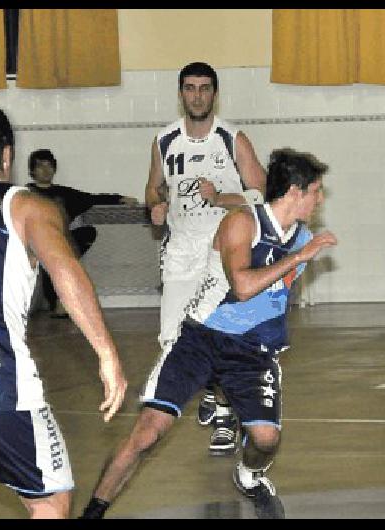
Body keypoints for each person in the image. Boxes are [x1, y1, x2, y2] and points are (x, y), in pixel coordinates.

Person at [80, 148, 336, 520]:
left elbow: (273, 294)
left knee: (266, 439)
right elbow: (244, 286)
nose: (320, 199)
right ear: (295, 191)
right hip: (200, 339)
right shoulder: (241, 224)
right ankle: (91, 513)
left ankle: (249, 476)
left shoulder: (302, 237)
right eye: (316, 190)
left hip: (251, 352)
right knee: (146, 434)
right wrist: (298, 258)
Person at [0, 105, 127, 518]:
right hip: (0, 384)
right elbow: (67, 275)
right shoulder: (29, 208)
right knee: (49, 500)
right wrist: (106, 353)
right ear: (8, 156)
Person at [145, 61, 267, 456]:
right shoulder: (164, 141)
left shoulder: (232, 139)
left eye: (204, 88)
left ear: (214, 93)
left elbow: (262, 195)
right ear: (181, 93)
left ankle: (225, 417)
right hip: (180, 250)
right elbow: (152, 188)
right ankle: (213, 394)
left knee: (220, 333)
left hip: (222, 251)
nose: (196, 95)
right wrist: (156, 206)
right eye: (190, 88)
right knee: (173, 338)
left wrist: (220, 198)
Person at [26, 148, 139, 318]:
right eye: (40, 166)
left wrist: (119, 198)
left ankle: (62, 301)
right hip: (35, 246)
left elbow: (92, 198)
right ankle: (56, 301)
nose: (46, 170)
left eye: (49, 166)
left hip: (61, 248)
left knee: (84, 236)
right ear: (32, 171)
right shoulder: (25, 194)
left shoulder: (64, 194)